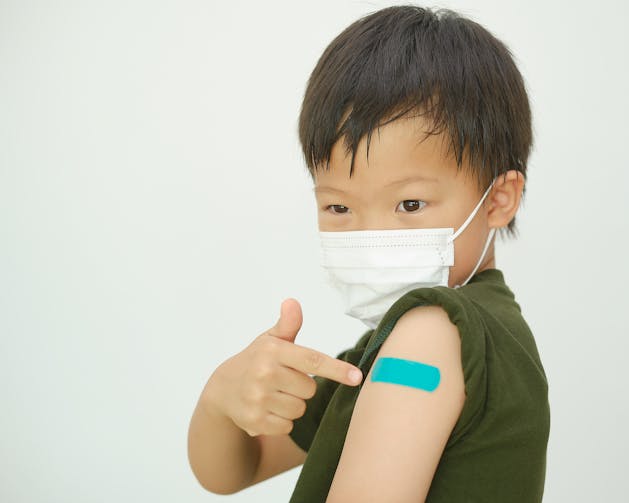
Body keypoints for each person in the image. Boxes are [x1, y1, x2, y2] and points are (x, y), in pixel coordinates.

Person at [188, 5, 549, 502]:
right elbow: (233, 471)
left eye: (410, 203)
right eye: (338, 206)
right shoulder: (380, 353)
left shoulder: (429, 335)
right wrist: (221, 398)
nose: (372, 235)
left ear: (498, 199)